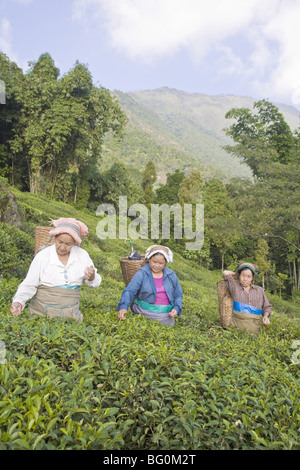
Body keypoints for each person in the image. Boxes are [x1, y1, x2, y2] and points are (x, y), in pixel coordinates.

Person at [10, 217, 101, 322]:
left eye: (68, 244)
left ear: (75, 243)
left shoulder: (82, 255)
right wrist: (18, 302)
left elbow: (95, 282)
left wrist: (91, 278)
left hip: (71, 316)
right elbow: (30, 283)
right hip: (41, 314)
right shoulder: (43, 256)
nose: (62, 247)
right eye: (60, 242)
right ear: (54, 238)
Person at [117, 245, 183, 326]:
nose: (157, 265)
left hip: (167, 317)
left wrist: (176, 308)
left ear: (165, 263)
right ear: (149, 260)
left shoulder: (171, 275)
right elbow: (129, 291)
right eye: (154, 262)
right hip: (144, 314)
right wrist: (123, 307)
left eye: (161, 263)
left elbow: (178, 294)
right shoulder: (142, 273)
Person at [222, 261, 272, 333]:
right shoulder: (234, 287)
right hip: (236, 328)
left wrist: (265, 316)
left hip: (255, 330)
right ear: (239, 276)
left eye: (249, 276)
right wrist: (236, 274)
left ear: (252, 278)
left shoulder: (259, 290)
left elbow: (267, 307)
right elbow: (225, 273)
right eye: (243, 276)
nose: (245, 279)